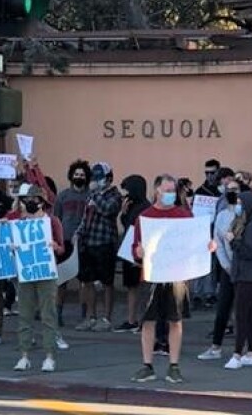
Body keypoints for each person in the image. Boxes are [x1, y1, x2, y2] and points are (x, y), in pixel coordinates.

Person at [131, 175, 217, 384]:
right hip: (151, 276)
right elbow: (134, 248)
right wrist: (139, 252)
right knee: (148, 321)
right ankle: (147, 365)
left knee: (175, 321)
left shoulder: (184, 216)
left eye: (172, 190)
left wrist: (209, 247)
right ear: (156, 191)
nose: (170, 194)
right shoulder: (144, 217)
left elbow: (197, 244)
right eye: (166, 190)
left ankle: (174, 365)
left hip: (176, 277)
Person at [11, 184, 64, 372]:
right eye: (26, 201)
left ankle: (50, 355)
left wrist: (54, 246)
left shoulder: (52, 222)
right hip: (26, 272)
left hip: (46, 272)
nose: (29, 204)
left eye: (34, 200)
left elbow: (62, 248)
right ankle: (24, 355)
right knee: (24, 314)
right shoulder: (19, 223)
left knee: (47, 314)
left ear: (42, 202)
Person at [74, 162, 123, 332]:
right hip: (88, 242)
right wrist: (78, 233)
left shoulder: (114, 195)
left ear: (109, 178)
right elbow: (85, 216)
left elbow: (108, 210)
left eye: (100, 178)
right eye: (94, 178)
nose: (96, 181)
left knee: (107, 282)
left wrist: (96, 196)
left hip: (105, 243)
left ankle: (106, 318)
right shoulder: (91, 195)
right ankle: (91, 316)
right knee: (87, 281)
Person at [198, 180, 241, 360]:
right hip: (227, 268)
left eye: (235, 189)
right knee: (223, 307)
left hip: (243, 268)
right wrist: (226, 265)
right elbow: (218, 241)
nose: (232, 193)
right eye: (229, 190)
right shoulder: (222, 215)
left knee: (243, 310)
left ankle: (243, 349)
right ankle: (216, 347)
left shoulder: (245, 213)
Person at [223, 191, 252, 369]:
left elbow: (250, 252)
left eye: (241, 203)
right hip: (247, 274)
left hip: (247, 274)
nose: (238, 206)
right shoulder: (249, 223)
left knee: (241, 313)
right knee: (250, 313)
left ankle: (237, 354)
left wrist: (233, 242)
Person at [53, 159, 91, 328]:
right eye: (76, 174)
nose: (79, 177)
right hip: (65, 242)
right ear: (71, 176)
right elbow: (56, 219)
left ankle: (84, 315)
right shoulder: (63, 196)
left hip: (85, 242)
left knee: (84, 281)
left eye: (82, 175)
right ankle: (57, 313)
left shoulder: (91, 196)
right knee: (61, 280)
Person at [114, 175, 149, 333]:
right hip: (129, 249)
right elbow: (126, 225)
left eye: (127, 189)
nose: (125, 193)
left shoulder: (145, 207)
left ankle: (144, 321)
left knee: (143, 288)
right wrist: (123, 213)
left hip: (140, 252)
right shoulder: (131, 205)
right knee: (131, 286)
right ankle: (131, 319)